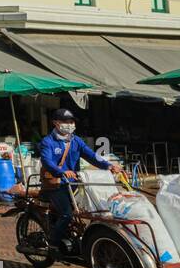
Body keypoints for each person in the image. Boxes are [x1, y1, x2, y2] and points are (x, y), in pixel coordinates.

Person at [39, 108, 122, 255]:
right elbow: (47, 161)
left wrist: (108, 165)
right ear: (56, 123)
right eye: (66, 122)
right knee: (67, 214)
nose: (70, 124)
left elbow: (91, 156)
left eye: (72, 122)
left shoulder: (76, 141)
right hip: (56, 185)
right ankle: (52, 243)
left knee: (90, 210)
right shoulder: (48, 142)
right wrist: (61, 171)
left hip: (74, 184)